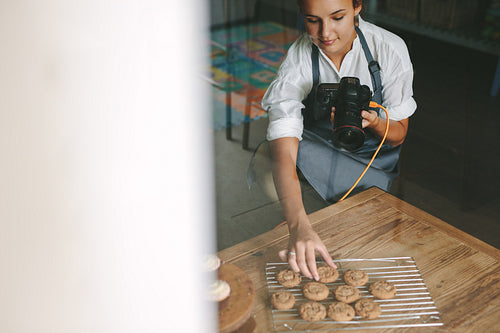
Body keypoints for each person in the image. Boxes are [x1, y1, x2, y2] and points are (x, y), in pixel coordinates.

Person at [261, 0, 417, 281]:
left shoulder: (389, 49)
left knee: (346, 242)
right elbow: (284, 150)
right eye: (312, 20)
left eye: (337, 17)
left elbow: (399, 135)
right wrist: (298, 226)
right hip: (318, 153)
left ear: (358, 6)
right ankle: (304, 228)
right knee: (274, 152)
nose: (325, 33)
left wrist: (375, 122)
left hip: (372, 163)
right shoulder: (300, 58)